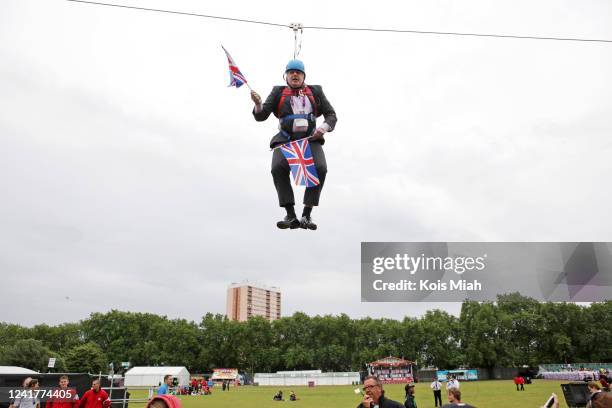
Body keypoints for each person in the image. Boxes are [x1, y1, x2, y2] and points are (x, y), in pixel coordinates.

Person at [251, 59, 337, 230]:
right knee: (277, 168)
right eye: (291, 72)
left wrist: (323, 128)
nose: (295, 74)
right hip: (286, 139)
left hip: (310, 139)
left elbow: (331, 115)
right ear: (286, 76)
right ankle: (290, 215)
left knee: (320, 168)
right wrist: (258, 104)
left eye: (298, 72)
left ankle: (306, 214)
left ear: (304, 76)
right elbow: (262, 116)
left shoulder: (315, 91)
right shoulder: (278, 91)